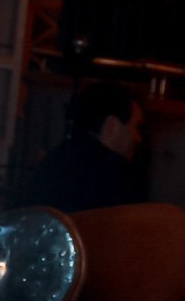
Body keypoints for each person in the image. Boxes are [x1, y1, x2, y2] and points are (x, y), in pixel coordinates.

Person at [28, 80, 146, 212]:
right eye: (136, 127)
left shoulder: (52, 162)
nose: (138, 138)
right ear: (111, 126)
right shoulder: (115, 176)